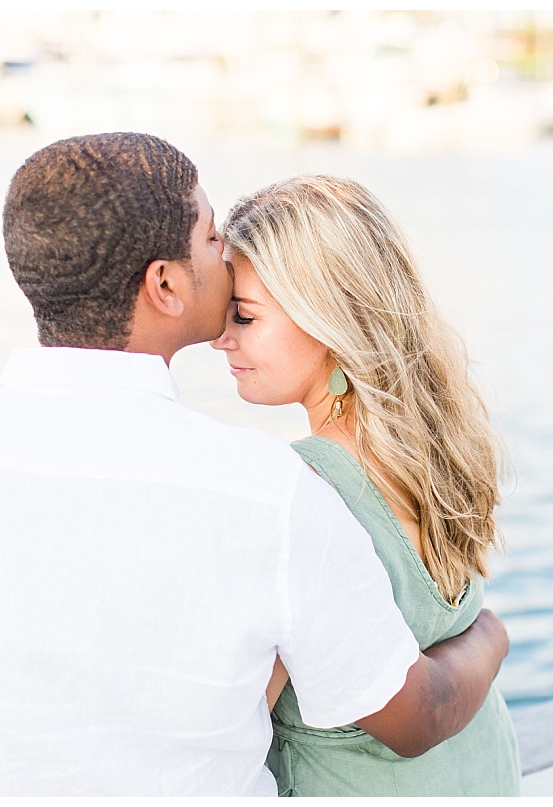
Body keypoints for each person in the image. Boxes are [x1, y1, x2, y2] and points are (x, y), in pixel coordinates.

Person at [0, 133, 512, 796]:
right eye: (212, 234)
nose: (223, 252)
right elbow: (409, 710)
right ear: (164, 283)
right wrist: (490, 633)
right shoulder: (268, 492)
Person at [211, 174, 521, 796]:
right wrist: (491, 634)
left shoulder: (297, 492)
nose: (222, 338)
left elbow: (230, 733)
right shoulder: (436, 445)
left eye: (244, 316)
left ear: (327, 317)